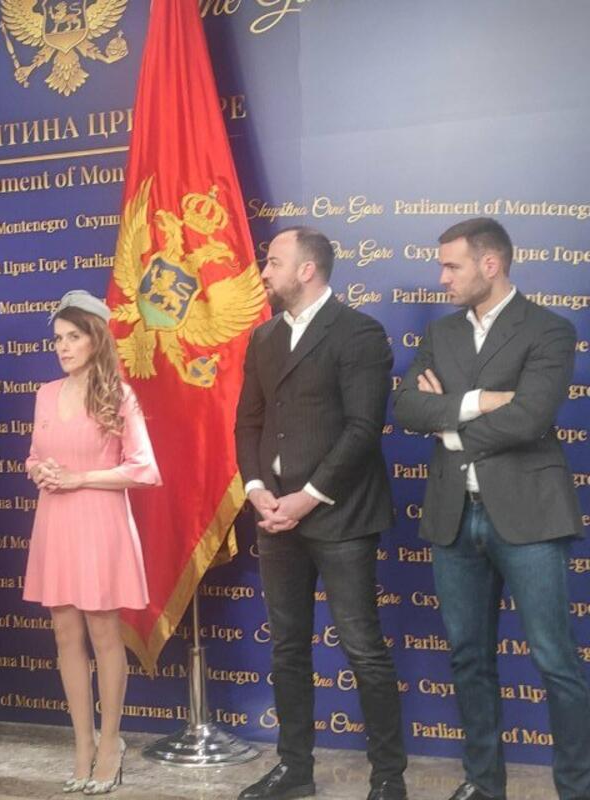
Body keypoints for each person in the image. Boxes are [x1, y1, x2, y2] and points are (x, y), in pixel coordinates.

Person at [393, 218, 590, 800]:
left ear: (490, 264)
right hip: (454, 515)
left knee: (555, 660)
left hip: (529, 517)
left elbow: (530, 417)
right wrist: (479, 401)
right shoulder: (441, 333)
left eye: (451, 266)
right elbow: (406, 407)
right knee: (468, 658)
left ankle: (576, 787)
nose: (442, 277)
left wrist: (450, 424)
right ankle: (483, 784)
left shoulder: (550, 329)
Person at [234, 228, 407, 800]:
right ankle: (295, 770)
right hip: (275, 515)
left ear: (307, 270)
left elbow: (362, 429)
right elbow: (248, 422)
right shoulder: (263, 337)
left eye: (274, 262)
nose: (264, 271)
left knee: (363, 649)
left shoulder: (359, 331)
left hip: (342, 516)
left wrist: (308, 496)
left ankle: (388, 779)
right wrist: (256, 488)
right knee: (287, 647)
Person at [22, 290, 160, 796]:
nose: (63, 346)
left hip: (100, 522)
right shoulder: (44, 393)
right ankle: (82, 744)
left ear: (96, 339)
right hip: (55, 520)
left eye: (73, 336)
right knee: (65, 635)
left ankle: (110, 744)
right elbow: (33, 454)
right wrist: (40, 471)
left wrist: (81, 478)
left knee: (104, 635)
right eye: (58, 338)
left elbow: (144, 469)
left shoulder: (120, 394)